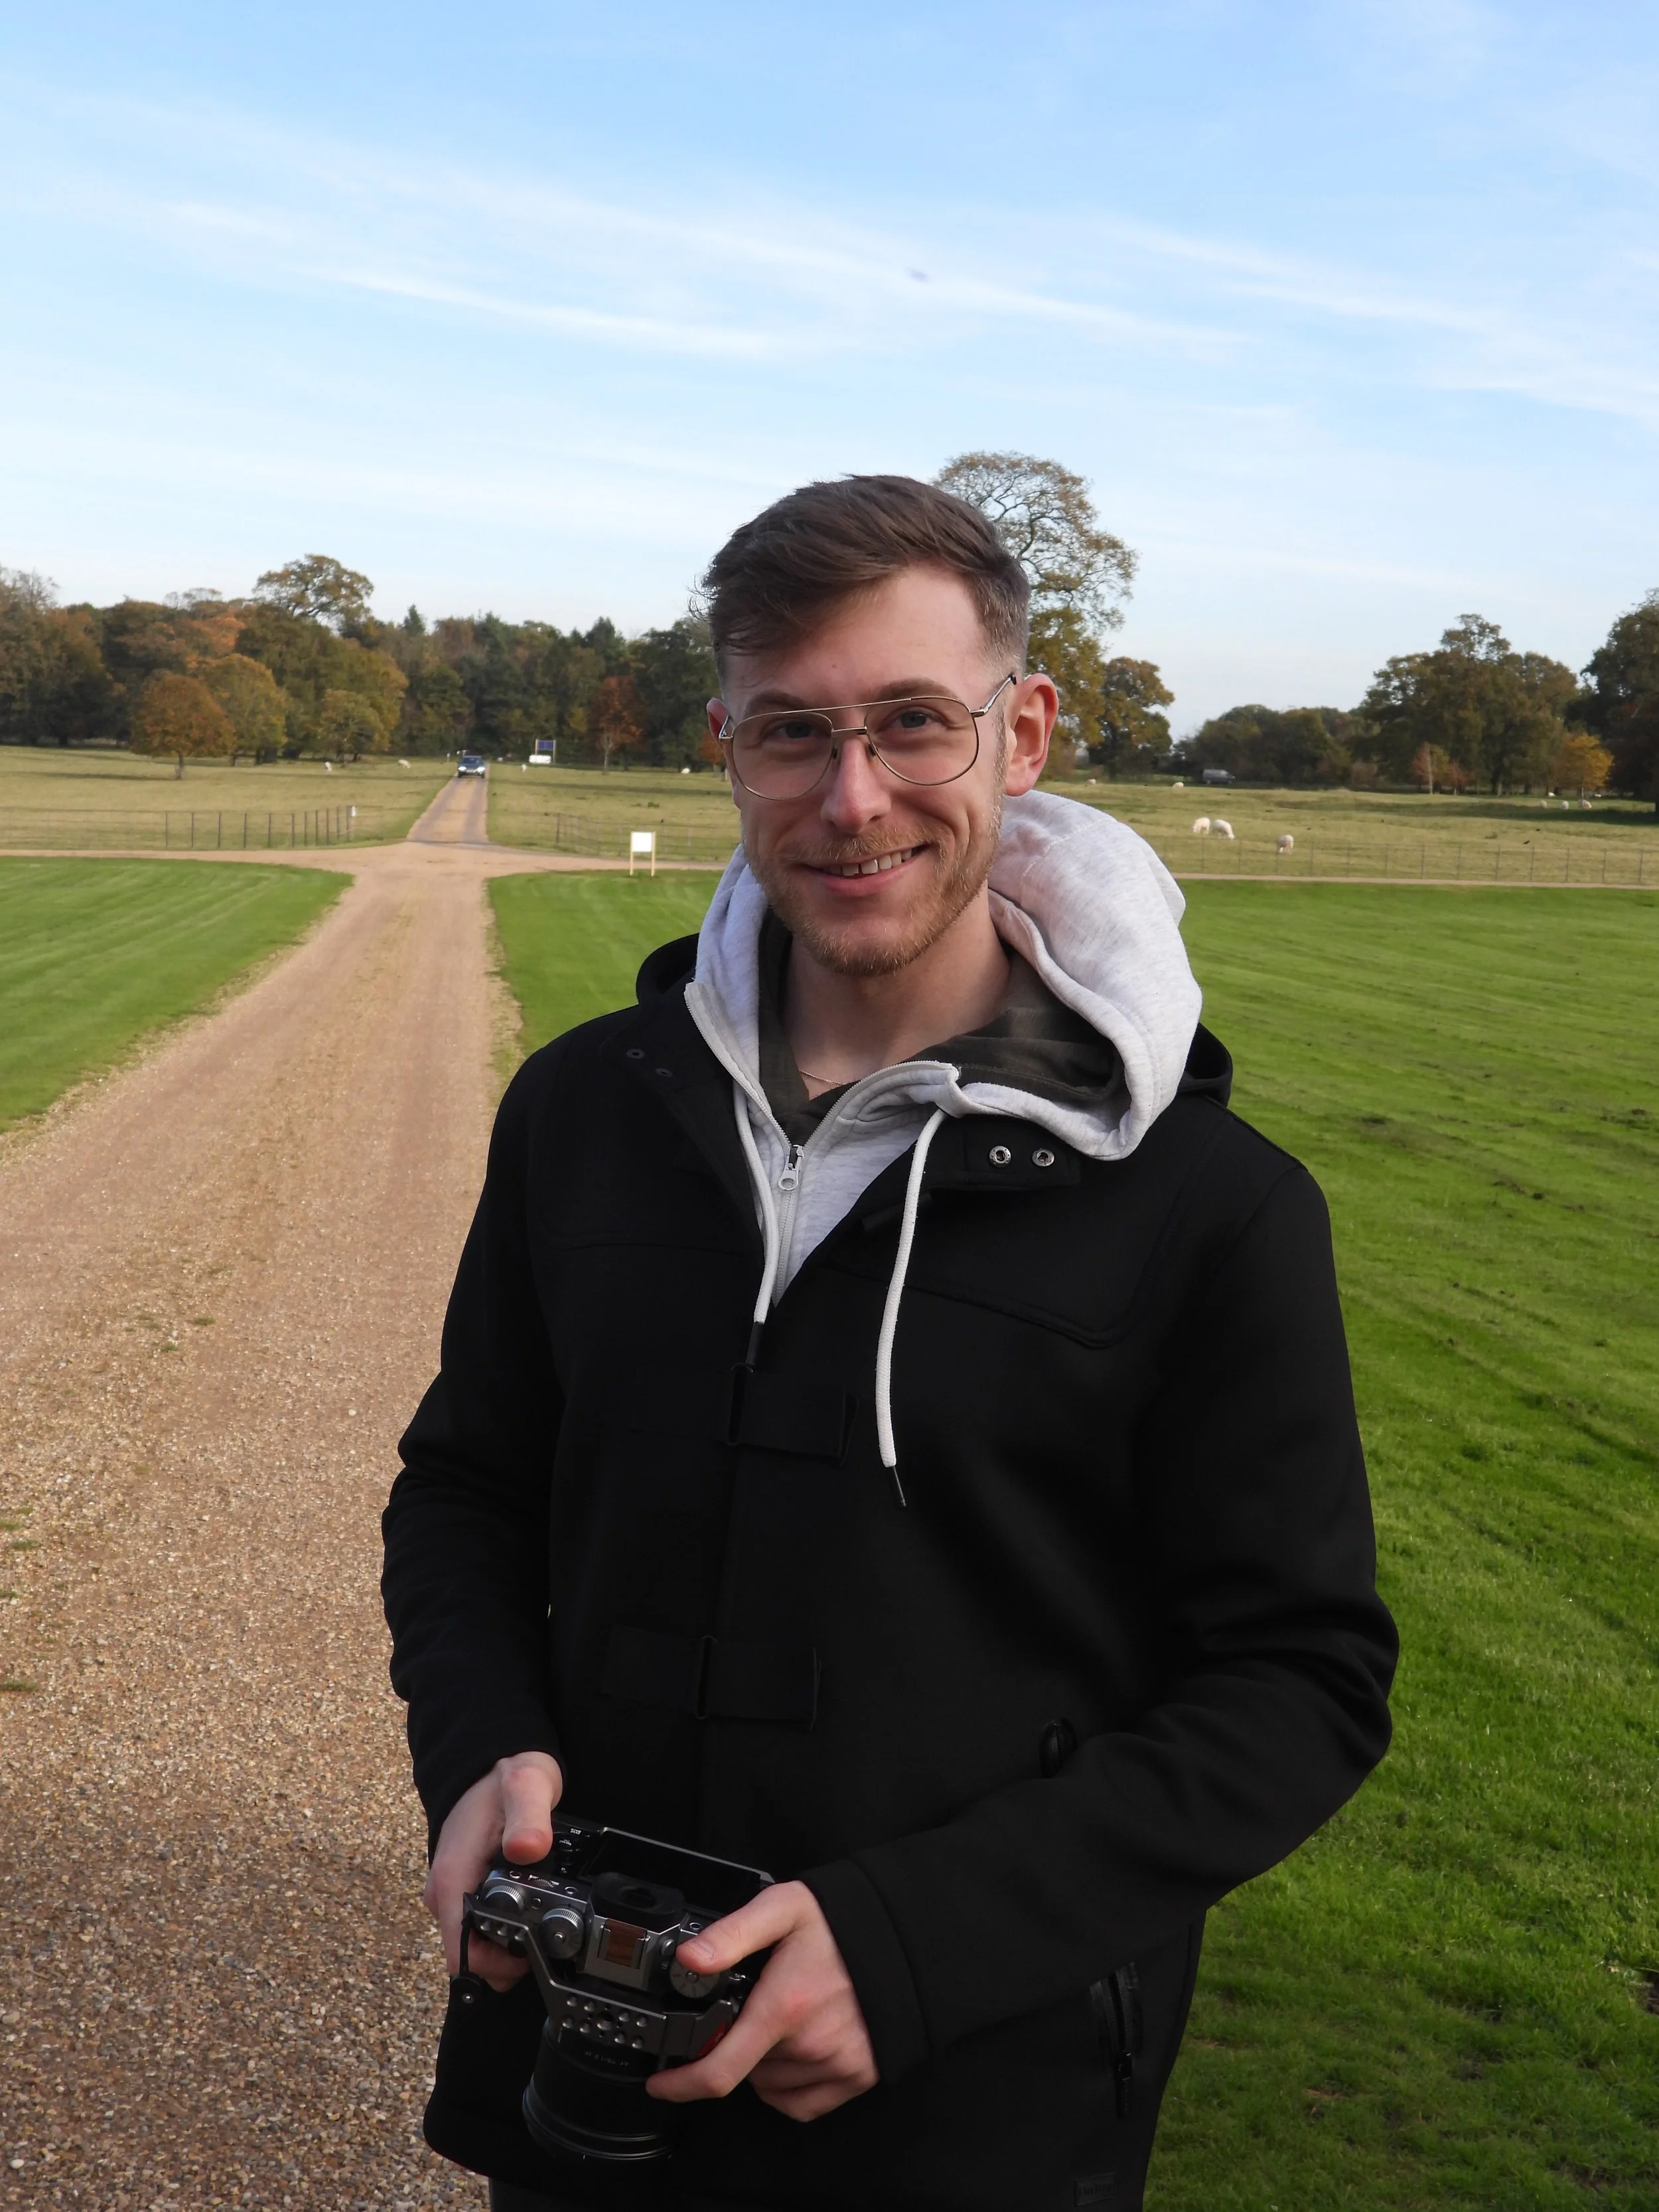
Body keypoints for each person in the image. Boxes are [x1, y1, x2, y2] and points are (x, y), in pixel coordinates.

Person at [382, 475, 1398, 2212]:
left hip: (965, 2104)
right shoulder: (582, 1116)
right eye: (791, 732)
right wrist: (483, 1746)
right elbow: (466, 1490)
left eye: (911, 723)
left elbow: (1299, 1681)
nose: (851, 799)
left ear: (1022, 730)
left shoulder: (1210, 1206)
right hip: (587, 2057)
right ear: (724, 746)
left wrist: (914, 1942)